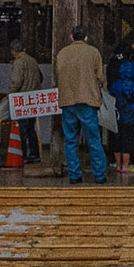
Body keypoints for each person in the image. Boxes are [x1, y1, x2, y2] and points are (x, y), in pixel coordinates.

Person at [54, 26, 107, 184]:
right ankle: (99, 175)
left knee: (70, 140)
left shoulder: (62, 53)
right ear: (86, 38)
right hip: (87, 101)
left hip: (67, 101)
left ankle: (74, 175)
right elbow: (100, 77)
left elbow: (58, 74)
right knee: (94, 139)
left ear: (71, 37)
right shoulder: (93, 53)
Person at [108, 44, 134, 174]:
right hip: (130, 116)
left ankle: (117, 165)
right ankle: (126, 165)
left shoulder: (115, 85)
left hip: (117, 115)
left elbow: (111, 96)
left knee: (117, 140)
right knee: (128, 141)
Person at [8, 39, 44, 161]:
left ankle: (22, 155)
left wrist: (11, 94)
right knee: (31, 128)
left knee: (22, 129)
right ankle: (35, 154)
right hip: (33, 99)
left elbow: (17, 81)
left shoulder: (18, 62)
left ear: (13, 51)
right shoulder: (33, 61)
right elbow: (41, 77)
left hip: (22, 99)